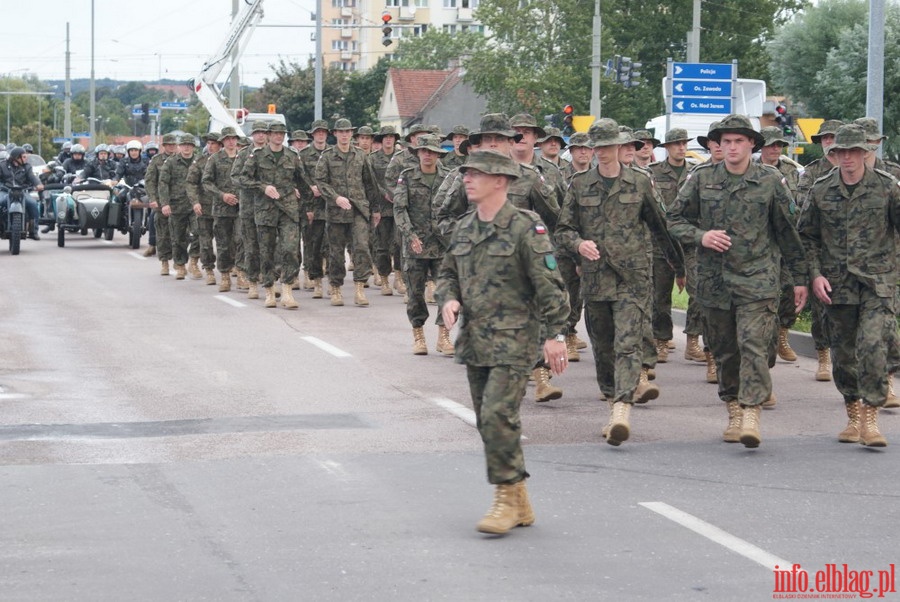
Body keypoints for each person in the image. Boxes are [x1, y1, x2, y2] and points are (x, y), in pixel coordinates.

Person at [436, 150, 568, 535]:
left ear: (501, 181)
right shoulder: (463, 228)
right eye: (467, 173)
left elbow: (551, 287)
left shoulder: (527, 227)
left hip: (515, 341)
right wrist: (448, 297)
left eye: (477, 173)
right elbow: (447, 272)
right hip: (475, 340)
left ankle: (505, 500)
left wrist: (556, 336)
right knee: (488, 421)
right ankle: (521, 497)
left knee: (497, 415)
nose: (467, 179)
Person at [667, 114, 808, 449]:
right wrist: (701, 236)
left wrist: (800, 278)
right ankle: (733, 408)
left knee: (755, 346)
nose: (731, 147)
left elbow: (788, 232)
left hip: (758, 280)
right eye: (725, 141)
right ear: (718, 145)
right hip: (715, 282)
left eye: (738, 141)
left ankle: (751, 412)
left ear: (751, 145)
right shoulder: (701, 178)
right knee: (726, 350)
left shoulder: (771, 180)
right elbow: (672, 218)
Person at [556, 118, 680, 446]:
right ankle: (612, 400)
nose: (604, 153)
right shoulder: (579, 184)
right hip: (596, 280)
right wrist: (578, 245)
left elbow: (661, 226)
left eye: (609, 146)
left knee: (628, 343)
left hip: (634, 278)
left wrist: (679, 266)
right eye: (598, 147)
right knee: (604, 346)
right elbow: (563, 230)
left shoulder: (640, 182)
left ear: (620, 147)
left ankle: (622, 408)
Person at [799, 124, 900, 447]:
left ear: (865, 152)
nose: (848, 158)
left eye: (854, 151)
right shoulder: (820, 189)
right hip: (836, 284)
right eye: (841, 152)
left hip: (877, 283)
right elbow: (808, 237)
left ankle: (871, 418)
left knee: (872, 346)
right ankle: (853, 414)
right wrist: (814, 274)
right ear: (834, 155)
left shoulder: (887, 188)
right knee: (844, 355)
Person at [393, 135, 453, 355]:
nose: (427, 155)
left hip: (442, 245)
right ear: (417, 153)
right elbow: (400, 209)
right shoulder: (407, 177)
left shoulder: (448, 177)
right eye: (423, 151)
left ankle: (444, 336)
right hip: (415, 246)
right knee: (416, 294)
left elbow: (455, 208)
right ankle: (418, 335)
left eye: (431, 151)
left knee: (447, 292)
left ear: (438, 154)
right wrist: (410, 236)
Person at [240, 122, 310, 309]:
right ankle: (269, 290)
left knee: (290, 250)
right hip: (265, 211)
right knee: (267, 252)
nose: (279, 136)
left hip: (288, 210)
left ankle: (287, 291)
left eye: (282, 133)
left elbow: (303, 182)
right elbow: (243, 179)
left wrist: (307, 205)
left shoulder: (292, 156)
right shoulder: (258, 156)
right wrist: (263, 187)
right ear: (269, 135)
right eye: (275, 133)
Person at [314, 118, 382, 307]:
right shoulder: (327, 156)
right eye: (341, 132)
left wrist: (375, 209)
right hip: (336, 212)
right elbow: (320, 181)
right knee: (335, 252)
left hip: (358, 209)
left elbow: (370, 183)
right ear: (335, 134)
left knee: (362, 247)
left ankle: (359, 287)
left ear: (352, 134)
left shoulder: (360, 155)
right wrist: (335, 197)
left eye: (348, 132)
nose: (344, 135)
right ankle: (336, 288)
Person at [755, 126, 803, 368]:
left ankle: (783, 334)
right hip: (762, 246)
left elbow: (799, 205)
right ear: (760, 146)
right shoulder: (752, 171)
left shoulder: (792, 171)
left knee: (790, 288)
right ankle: (766, 343)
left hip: (787, 242)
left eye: (779, 145)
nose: (776, 149)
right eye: (771, 144)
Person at [648, 128, 697, 363]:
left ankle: (693, 341)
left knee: (698, 293)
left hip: (690, 242)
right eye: (676, 144)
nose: (681, 147)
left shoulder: (695, 173)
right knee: (660, 295)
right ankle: (661, 340)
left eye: (684, 143)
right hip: (662, 243)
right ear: (667, 147)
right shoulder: (653, 173)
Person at [232, 121, 270, 300]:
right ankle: (252, 281)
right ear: (252, 135)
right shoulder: (244, 154)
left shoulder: (273, 152)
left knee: (270, 245)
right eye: (257, 133)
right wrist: (256, 186)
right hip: (249, 206)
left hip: (270, 206)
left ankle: (269, 279)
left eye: (263, 132)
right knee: (250, 245)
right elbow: (236, 177)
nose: (261, 136)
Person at [203, 127, 242, 291]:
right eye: (228, 139)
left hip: (242, 208)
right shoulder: (215, 159)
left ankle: (241, 273)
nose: (231, 141)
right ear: (223, 142)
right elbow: (206, 182)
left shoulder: (244, 158)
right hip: (222, 208)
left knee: (242, 241)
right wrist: (222, 195)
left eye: (234, 138)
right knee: (223, 243)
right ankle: (225, 276)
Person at [297, 119, 331, 298]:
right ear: (312, 134)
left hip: (330, 205)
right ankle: (313, 276)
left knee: (332, 245)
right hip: (310, 205)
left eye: (323, 132)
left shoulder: (332, 153)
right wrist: (310, 187)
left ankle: (332, 280)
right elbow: (299, 176)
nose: (320, 134)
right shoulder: (304, 154)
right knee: (312, 243)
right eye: (317, 132)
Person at [158, 135, 198, 280]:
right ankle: (180, 265)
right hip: (177, 205)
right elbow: (163, 183)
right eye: (184, 144)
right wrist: (165, 203)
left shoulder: (199, 161)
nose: (186, 147)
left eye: (189, 144)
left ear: (194, 146)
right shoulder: (171, 162)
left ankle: (194, 261)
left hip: (196, 205)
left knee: (199, 233)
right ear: (179, 146)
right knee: (178, 238)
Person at [370, 125, 404, 296]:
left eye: (391, 137)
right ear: (381, 140)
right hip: (381, 206)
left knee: (399, 243)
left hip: (398, 206)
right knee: (382, 245)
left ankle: (399, 277)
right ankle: (384, 278)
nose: (389, 139)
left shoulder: (401, 158)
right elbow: (371, 182)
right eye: (385, 137)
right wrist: (384, 193)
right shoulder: (373, 158)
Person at [186, 132, 221, 283]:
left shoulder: (230, 160)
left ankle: (232, 267)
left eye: (214, 143)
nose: (211, 146)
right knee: (204, 240)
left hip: (224, 207)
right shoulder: (200, 162)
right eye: (209, 143)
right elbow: (191, 183)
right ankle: (207, 269)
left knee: (228, 241)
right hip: (204, 207)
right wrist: (195, 202)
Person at [145, 133, 178, 276]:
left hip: (179, 201)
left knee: (180, 234)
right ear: (164, 146)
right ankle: (164, 262)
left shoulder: (180, 159)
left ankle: (179, 261)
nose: (171, 147)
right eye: (169, 145)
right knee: (163, 234)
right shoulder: (157, 161)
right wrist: (153, 198)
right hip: (161, 202)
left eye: (173, 145)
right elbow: (150, 181)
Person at [113, 140, 151, 250]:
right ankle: (119, 221)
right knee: (119, 197)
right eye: (132, 150)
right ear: (128, 152)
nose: (134, 152)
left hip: (142, 188)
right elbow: (118, 174)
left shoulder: (146, 161)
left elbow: (150, 173)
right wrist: (115, 180)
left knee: (151, 201)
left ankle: (149, 221)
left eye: (136, 150)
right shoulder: (123, 161)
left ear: (139, 151)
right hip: (127, 186)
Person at [0, 146, 43, 240]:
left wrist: (38, 184)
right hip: (5, 191)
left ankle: (33, 231)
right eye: (23, 156)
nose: (26, 158)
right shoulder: (2, 165)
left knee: (33, 204)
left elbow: (32, 177)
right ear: (16, 157)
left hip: (22, 191)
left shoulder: (27, 167)